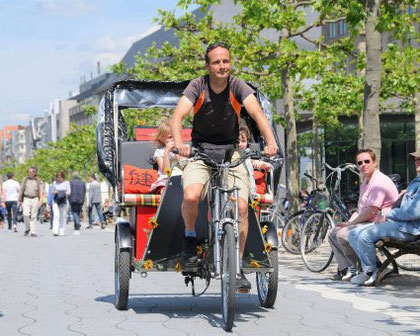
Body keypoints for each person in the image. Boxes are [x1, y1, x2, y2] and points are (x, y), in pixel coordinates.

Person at [171, 42, 278, 291]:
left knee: (241, 206)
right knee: (191, 195)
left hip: (231, 154)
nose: (222, 66)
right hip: (201, 152)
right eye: (216, 62)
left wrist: (271, 141)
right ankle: (189, 240)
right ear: (208, 66)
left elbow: (257, 113)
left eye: (226, 61)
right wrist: (180, 145)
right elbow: (177, 117)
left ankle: (237, 267)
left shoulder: (238, 86)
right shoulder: (197, 86)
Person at [348, 150, 420, 285]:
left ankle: (370, 271)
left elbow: (413, 212)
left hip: (411, 229)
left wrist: (388, 215)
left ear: (375, 163)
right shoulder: (416, 180)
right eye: (416, 159)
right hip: (401, 223)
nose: (417, 161)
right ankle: (373, 269)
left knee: (365, 236)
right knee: (353, 234)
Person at [328, 149, 399, 281]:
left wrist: (350, 225)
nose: (363, 165)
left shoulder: (379, 182)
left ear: (375, 163)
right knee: (332, 232)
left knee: (343, 234)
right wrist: (348, 223)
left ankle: (372, 266)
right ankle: (348, 269)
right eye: (360, 163)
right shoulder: (365, 182)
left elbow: (372, 211)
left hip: (383, 222)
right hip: (369, 220)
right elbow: (359, 211)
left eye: (367, 161)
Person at [238, 121, 273, 196]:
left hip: (250, 192)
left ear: (248, 142)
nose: (240, 144)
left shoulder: (248, 156)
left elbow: (256, 162)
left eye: (243, 141)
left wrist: (264, 164)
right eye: (238, 141)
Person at [149, 119, 181, 194]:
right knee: (164, 188)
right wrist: (166, 153)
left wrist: (177, 152)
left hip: (182, 177)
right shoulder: (159, 152)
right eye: (170, 137)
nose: (173, 139)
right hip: (166, 179)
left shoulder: (183, 148)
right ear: (161, 138)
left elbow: (184, 165)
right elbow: (166, 171)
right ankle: (165, 201)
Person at [19, 166, 44, 237]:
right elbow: (21, 189)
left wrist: (41, 200)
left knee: (33, 215)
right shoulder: (25, 179)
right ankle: (27, 228)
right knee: (25, 214)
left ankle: (33, 231)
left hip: (35, 198)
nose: (30, 173)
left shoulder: (39, 180)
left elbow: (41, 191)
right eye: (29, 172)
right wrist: (20, 200)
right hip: (26, 198)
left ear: (35, 173)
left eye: (32, 172)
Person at [52, 171, 71, 236]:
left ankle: (62, 230)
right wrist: (55, 192)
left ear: (63, 177)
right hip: (56, 200)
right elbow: (53, 191)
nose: (59, 178)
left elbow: (69, 192)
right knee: (56, 215)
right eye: (57, 177)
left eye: (60, 177)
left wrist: (63, 192)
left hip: (64, 200)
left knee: (63, 216)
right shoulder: (54, 183)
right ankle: (55, 231)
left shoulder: (66, 183)